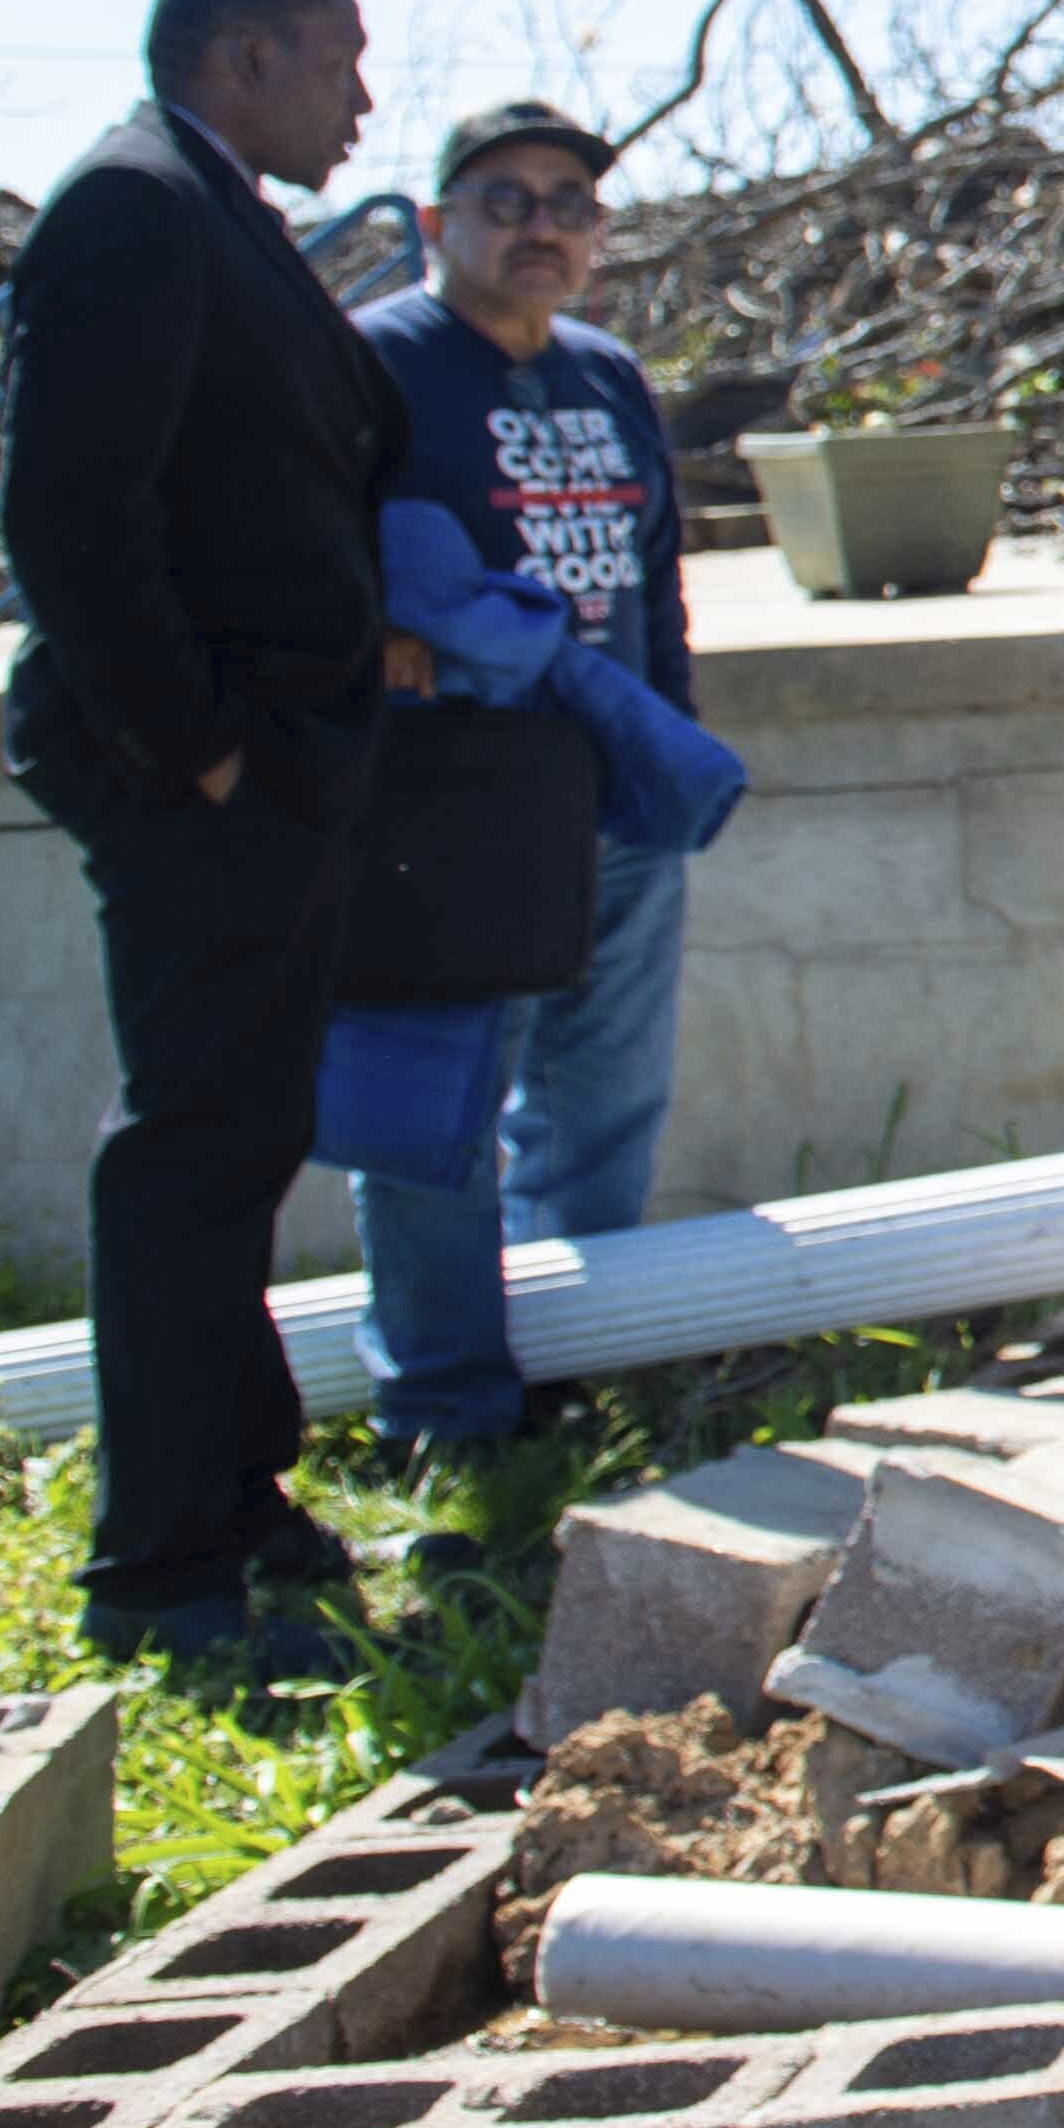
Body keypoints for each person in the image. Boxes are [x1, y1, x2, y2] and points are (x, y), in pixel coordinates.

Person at [0, 0, 404, 1667]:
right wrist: (201, 745)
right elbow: (69, 521)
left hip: (274, 759)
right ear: (242, 58)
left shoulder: (208, 202)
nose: (365, 101)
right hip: (203, 771)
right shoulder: (135, 211)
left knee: (238, 1136)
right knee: (187, 1151)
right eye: (342, 62)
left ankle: (234, 1487)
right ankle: (161, 1570)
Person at [344, 100, 698, 1451]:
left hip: (608, 786)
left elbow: (653, 579)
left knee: (603, 1095)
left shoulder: (606, 373)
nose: (540, 225)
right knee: (435, 1109)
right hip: (452, 795)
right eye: (506, 199)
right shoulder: (375, 368)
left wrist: (672, 736)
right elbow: (304, 549)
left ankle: (570, 1361)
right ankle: (441, 1402)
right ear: (438, 224)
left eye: (570, 202)